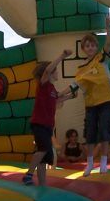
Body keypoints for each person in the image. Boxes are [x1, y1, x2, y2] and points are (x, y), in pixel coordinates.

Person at [22, 50, 76, 185]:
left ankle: (42, 184)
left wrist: (70, 96)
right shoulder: (44, 85)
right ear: (50, 73)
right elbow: (47, 70)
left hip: (47, 126)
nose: (57, 73)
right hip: (39, 123)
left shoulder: (52, 88)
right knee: (43, 149)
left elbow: (57, 100)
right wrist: (62, 56)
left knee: (45, 158)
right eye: (55, 71)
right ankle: (28, 174)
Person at [75, 14, 110, 176]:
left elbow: (109, 44)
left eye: (92, 45)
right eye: (87, 46)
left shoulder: (101, 58)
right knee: (90, 133)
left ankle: (104, 162)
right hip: (91, 104)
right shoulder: (81, 69)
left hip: (106, 100)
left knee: (105, 130)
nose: (90, 48)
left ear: (96, 47)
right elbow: (76, 85)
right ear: (83, 49)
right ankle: (90, 163)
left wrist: (108, 28)